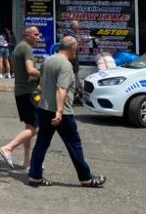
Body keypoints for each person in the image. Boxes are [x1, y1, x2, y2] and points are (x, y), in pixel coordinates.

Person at [27, 35, 107, 188]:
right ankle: (86, 178)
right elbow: (61, 89)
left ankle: (35, 176)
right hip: (62, 112)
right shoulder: (65, 65)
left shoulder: (49, 60)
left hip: (44, 108)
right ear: (72, 48)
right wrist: (59, 112)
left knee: (41, 144)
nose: (77, 50)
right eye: (77, 47)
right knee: (74, 145)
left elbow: (42, 83)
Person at [0, 26, 42, 169]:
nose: (38, 37)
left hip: (21, 92)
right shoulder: (26, 48)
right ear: (27, 35)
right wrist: (44, 73)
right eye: (35, 34)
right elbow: (30, 70)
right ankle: (8, 148)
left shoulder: (19, 48)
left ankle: (27, 163)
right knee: (35, 128)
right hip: (29, 93)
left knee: (29, 127)